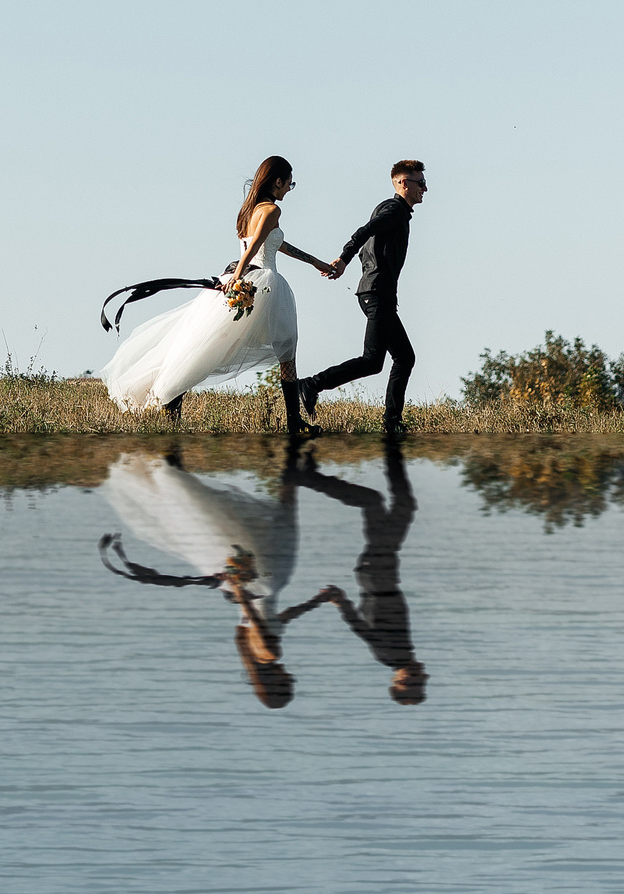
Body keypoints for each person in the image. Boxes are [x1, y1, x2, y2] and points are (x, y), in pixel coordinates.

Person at [100, 155, 335, 436]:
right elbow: (257, 247)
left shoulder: (249, 210)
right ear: (277, 181)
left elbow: (276, 243)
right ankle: (294, 422)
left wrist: (316, 262)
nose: (289, 189)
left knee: (210, 346)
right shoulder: (272, 210)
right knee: (286, 350)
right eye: (289, 184)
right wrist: (236, 280)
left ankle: (174, 399)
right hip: (261, 281)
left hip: (242, 277)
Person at [98, 451, 338, 708]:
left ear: (277, 683)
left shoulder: (270, 654)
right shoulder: (252, 654)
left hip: (264, 581)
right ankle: (168, 472)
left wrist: (240, 590)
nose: (292, 680)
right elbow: (283, 617)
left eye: (288, 685)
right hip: (245, 588)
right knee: (209, 524)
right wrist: (318, 601)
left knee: (282, 521)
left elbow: (258, 621)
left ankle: (293, 461)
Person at [296, 159, 425, 435]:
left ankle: (392, 421)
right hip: (377, 293)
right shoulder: (393, 210)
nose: (425, 188)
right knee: (372, 360)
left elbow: (370, 246)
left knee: (404, 357)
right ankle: (311, 384)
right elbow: (363, 233)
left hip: (377, 291)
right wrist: (343, 259)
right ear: (404, 183)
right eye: (420, 183)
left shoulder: (391, 211)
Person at [296, 445, 428, 703]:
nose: (422, 676)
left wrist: (341, 603)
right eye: (422, 681)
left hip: (377, 575)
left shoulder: (391, 655)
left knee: (398, 505)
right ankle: (312, 474)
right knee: (380, 503)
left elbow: (361, 629)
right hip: (380, 574)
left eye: (413, 682)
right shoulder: (400, 654)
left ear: (398, 680)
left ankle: (391, 449)